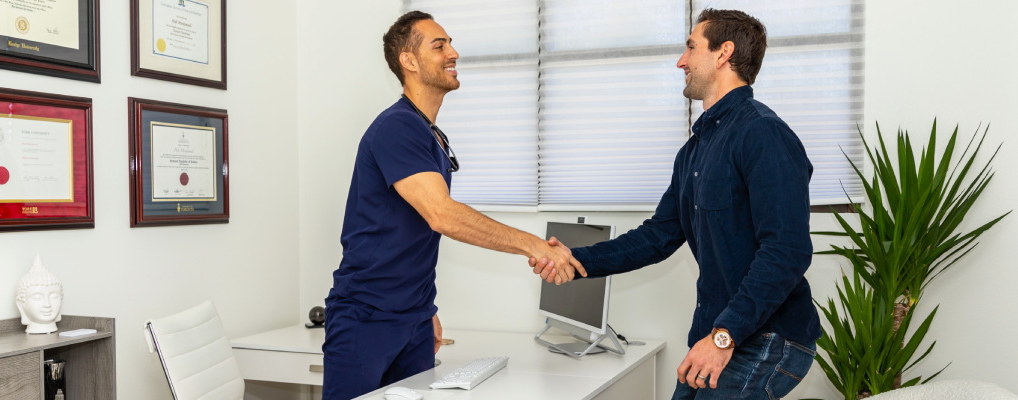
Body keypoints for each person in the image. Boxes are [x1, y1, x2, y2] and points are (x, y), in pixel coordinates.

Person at [533, 9, 820, 400]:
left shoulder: (762, 134)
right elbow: (657, 236)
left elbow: (787, 251)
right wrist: (576, 259)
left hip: (766, 336)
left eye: (690, 48)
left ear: (724, 53)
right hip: (721, 331)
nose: (681, 61)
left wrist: (723, 337)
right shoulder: (694, 152)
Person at [322, 11, 585, 400]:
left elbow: (411, 233)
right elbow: (440, 214)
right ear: (408, 62)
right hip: (367, 319)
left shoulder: (428, 132)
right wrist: (532, 244)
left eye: (451, 43)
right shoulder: (396, 127)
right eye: (439, 45)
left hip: (412, 319)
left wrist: (424, 310)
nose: (453, 53)